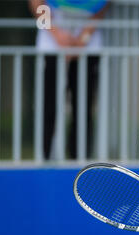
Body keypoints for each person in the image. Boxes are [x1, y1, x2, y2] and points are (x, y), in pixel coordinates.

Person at [29, 0, 109, 159]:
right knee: (48, 105)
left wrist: (83, 38)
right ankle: (44, 157)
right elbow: (36, 3)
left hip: (87, 48)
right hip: (51, 45)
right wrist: (57, 35)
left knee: (83, 106)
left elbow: (103, 5)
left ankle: (79, 158)